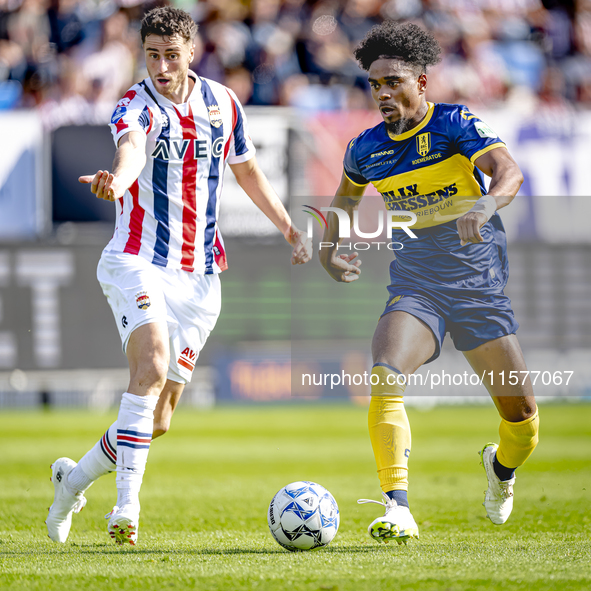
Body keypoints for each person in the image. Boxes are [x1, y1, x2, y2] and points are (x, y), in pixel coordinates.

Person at [46, 6, 311, 546]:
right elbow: (131, 153)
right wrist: (117, 183)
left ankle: (71, 483)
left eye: (171, 55)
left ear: (192, 52)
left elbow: (247, 169)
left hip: (201, 275)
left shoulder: (222, 103)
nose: (162, 67)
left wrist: (288, 228)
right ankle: (126, 509)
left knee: (157, 419)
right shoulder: (134, 106)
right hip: (136, 259)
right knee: (151, 366)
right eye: (152, 56)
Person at [319, 22, 539, 544]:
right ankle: (397, 507)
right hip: (417, 285)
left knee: (524, 422)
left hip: (478, 286)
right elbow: (342, 206)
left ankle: (501, 470)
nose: (382, 94)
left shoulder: (454, 124)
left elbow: (509, 172)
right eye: (374, 85)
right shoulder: (365, 148)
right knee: (385, 373)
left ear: (421, 81)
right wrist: (329, 252)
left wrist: (487, 203)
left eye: (392, 81)